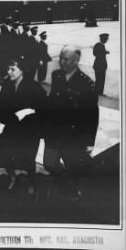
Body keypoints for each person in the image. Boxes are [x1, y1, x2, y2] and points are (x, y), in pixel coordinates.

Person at [43, 45, 99, 201]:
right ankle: (64, 179)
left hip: (73, 136)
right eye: (60, 58)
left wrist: (89, 142)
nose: (61, 62)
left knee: (73, 166)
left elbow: (92, 115)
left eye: (66, 59)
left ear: (76, 60)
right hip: (54, 132)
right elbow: (53, 102)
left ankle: (72, 189)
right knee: (49, 163)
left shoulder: (87, 84)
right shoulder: (56, 76)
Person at [0, 58, 47, 194]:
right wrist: (18, 115)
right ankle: (12, 177)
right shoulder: (7, 86)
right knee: (5, 157)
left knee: (28, 159)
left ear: (22, 70)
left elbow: (45, 108)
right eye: (8, 69)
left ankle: (32, 181)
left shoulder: (34, 87)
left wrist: (32, 112)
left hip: (29, 131)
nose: (9, 72)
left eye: (13, 69)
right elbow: (0, 112)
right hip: (12, 128)